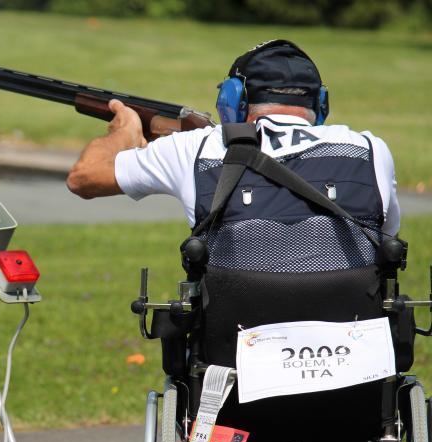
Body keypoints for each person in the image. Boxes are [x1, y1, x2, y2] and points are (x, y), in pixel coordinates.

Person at [67, 39, 399, 272]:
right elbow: (385, 238)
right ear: (320, 103)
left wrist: (124, 132)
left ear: (233, 99)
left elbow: (84, 177)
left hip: (229, 353)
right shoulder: (369, 150)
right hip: (355, 351)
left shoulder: (196, 149)